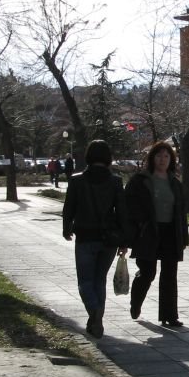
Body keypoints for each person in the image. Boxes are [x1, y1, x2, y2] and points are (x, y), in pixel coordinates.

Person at [61, 140, 128, 339]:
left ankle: (94, 313)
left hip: (84, 236)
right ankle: (96, 319)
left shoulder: (77, 180)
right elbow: (122, 212)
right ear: (108, 157)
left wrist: (66, 228)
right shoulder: (115, 182)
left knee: (85, 281)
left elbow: (69, 208)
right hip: (108, 239)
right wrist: (124, 240)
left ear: (88, 156)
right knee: (100, 280)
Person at [126, 141, 189, 327]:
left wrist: (183, 236)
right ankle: (136, 302)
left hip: (170, 232)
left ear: (171, 160)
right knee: (148, 272)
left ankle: (169, 315)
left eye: (166, 156)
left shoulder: (175, 183)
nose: (163, 159)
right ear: (152, 158)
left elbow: (181, 213)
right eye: (159, 156)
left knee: (169, 274)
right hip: (148, 232)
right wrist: (137, 226)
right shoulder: (140, 180)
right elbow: (128, 206)